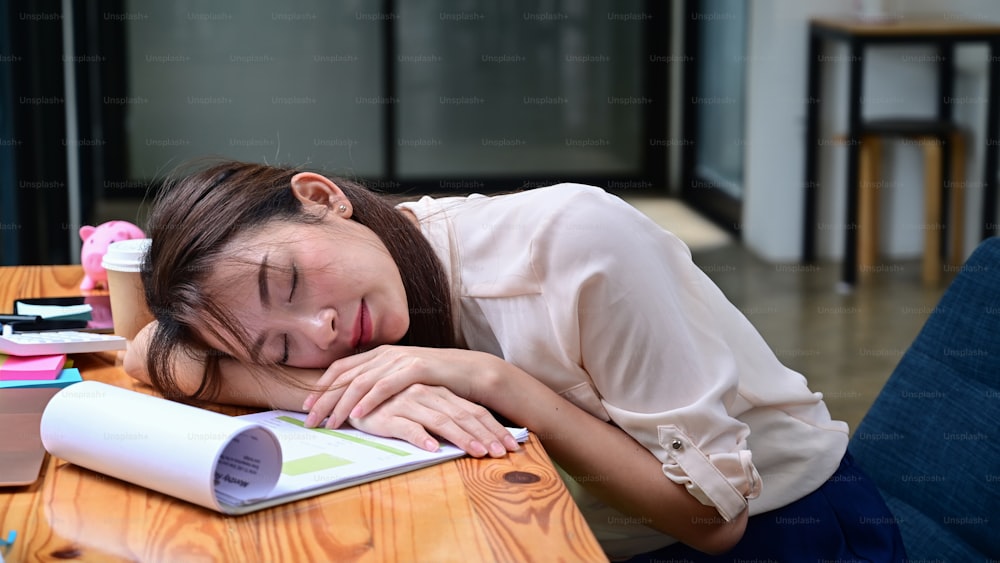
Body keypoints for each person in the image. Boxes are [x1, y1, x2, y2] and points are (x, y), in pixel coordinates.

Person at [124, 160, 906, 561]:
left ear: (322, 195)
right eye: (282, 346)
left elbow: (715, 521)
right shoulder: (363, 307)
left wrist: (498, 383)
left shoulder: (571, 242)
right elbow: (146, 352)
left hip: (793, 532)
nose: (322, 328)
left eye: (289, 281)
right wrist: (318, 390)